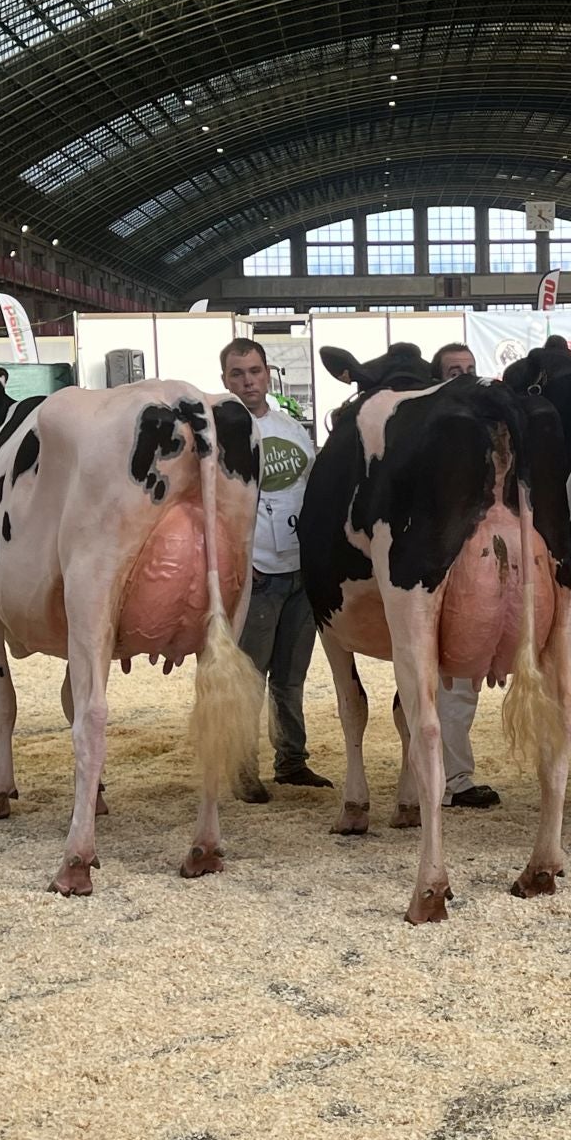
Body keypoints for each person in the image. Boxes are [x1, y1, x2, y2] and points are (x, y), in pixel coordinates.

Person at [227, 337, 332, 801]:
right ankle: (240, 768)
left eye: (254, 371)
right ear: (225, 380)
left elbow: (311, 493)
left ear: (268, 373)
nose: (248, 381)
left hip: (298, 570)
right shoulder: (221, 433)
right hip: (256, 574)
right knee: (249, 676)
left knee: (291, 676)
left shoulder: (292, 429)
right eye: (237, 374)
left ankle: (291, 761)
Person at [427, 342, 501, 809]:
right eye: (454, 370)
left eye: (470, 369)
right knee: (453, 674)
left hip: (474, 558)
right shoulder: (430, 427)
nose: (464, 376)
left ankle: (441, 775)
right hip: (440, 562)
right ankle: (452, 781)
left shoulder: (488, 428)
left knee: (459, 677)